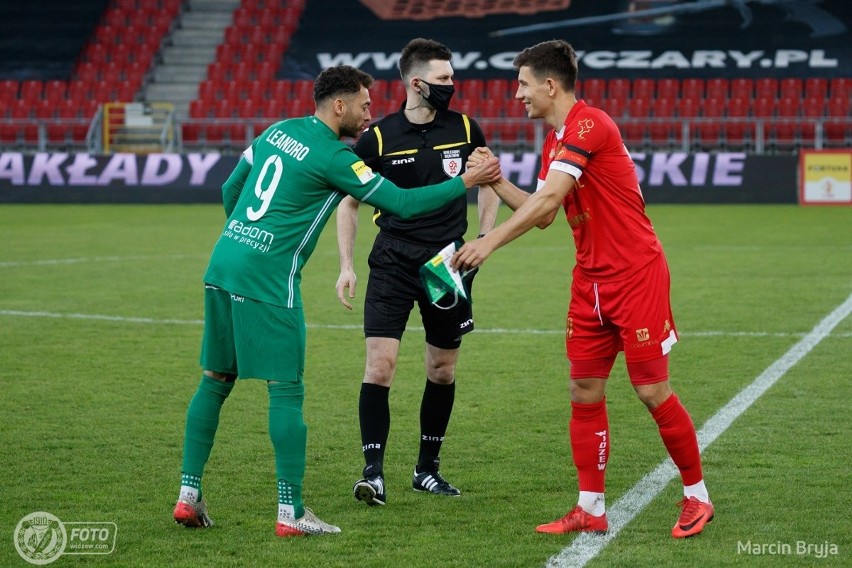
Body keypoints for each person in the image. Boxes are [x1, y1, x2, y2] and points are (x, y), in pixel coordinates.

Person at [171, 64, 501, 538]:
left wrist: (247, 234)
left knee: (215, 379)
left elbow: (230, 190)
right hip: (268, 279)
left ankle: (188, 496)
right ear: (340, 105)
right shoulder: (336, 158)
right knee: (286, 389)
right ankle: (292, 513)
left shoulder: (276, 130)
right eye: (364, 106)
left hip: (223, 264)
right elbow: (402, 205)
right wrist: (465, 184)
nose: (370, 115)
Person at [453, 40, 713, 538]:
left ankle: (697, 497)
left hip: (636, 274)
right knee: (583, 388)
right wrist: (496, 179)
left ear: (551, 85)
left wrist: (488, 244)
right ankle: (590, 507)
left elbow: (550, 196)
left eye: (524, 85)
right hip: (590, 279)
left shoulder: (591, 124)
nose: (517, 95)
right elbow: (547, 212)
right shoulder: (555, 140)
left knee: (651, 389)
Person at [335, 38, 500, 507]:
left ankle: (426, 470)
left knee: (442, 369)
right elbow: (348, 202)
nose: (453, 85)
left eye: (452, 77)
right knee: (380, 365)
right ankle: (373, 473)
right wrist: (346, 265)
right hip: (391, 258)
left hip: (447, 262)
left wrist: (483, 239)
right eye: (444, 78)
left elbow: (488, 181)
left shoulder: (467, 128)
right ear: (417, 83)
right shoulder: (379, 137)